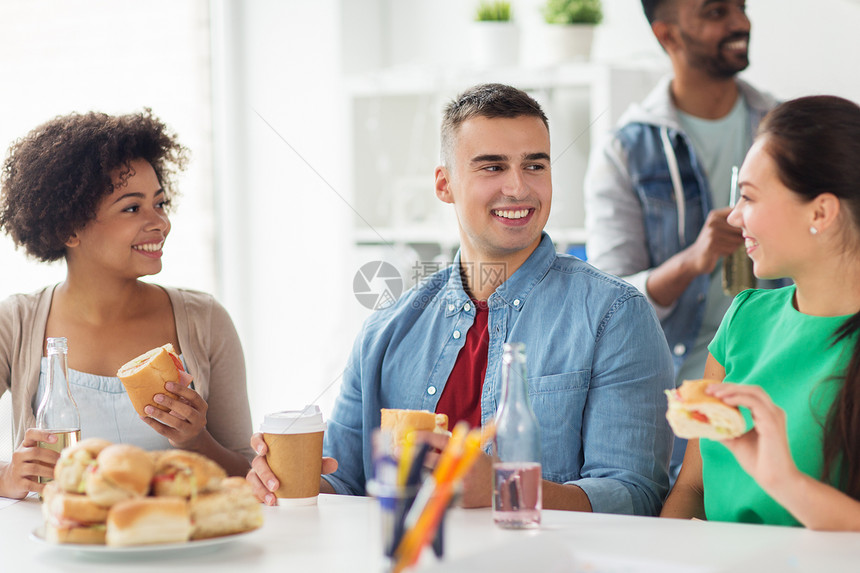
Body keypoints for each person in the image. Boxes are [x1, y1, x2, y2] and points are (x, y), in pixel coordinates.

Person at [248, 83, 675, 516]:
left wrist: (504, 489)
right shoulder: (383, 331)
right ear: (444, 184)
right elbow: (347, 483)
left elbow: (635, 495)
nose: (518, 188)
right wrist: (283, 483)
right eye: (492, 167)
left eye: (534, 166)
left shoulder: (616, 314)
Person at [0, 110, 253, 498]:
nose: (160, 223)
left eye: (160, 203)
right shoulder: (14, 324)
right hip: (61, 550)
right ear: (68, 228)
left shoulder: (205, 321)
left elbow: (249, 474)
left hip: (179, 547)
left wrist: (195, 441)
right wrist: (6, 478)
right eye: (133, 208)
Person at [584, 0, 780, 477]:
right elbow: (605, 306)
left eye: (741, 6)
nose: (740, 22)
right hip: (675, 409)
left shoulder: (783, 129)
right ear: (667, 36)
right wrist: (694, 260)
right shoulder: (625, 150)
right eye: (716, 13)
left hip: (776, 390)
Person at [661, 95, 860, 529]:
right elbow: (692, 489)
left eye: (749, 198)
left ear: (821, 212)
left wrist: (783, 481)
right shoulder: (743, 319)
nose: (734, 218)